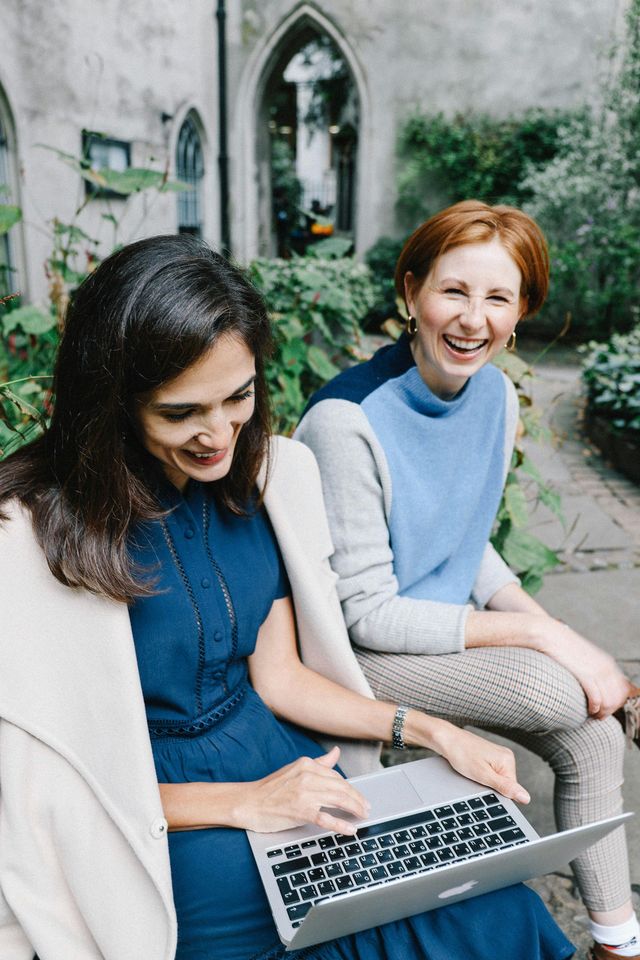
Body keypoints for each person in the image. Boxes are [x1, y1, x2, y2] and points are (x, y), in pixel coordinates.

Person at [0, 234, 575, 960]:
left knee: (494, 907)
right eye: (181, 413)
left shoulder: (260, 480)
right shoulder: (29, 533)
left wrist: (433, 732)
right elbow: (47, 791)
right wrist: (241, 803)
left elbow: (279, 678)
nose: (218, 434)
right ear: (113, 400)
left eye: (238, 396)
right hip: (154, 813)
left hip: (288, 765)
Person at [295, 200, 640, 960]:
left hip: (437, 638)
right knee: (566, 694)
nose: (472, 319)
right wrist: (553, 641)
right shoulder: (346, 423)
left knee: (593, 743)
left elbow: (467, 544)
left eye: (498, 298)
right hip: (359, 657)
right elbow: (366, 615)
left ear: (521, 313)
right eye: (453, 291)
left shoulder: (491, 397)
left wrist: (568, 638)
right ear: (411, 292)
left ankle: (618, 943)